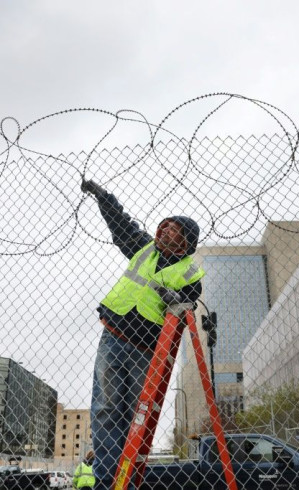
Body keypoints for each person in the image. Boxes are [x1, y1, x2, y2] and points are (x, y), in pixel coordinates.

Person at [80, 179, 204, 490]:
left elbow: (189, 301)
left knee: (136, 419)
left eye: (173, 231)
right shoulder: (143, 249)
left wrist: (176, 298)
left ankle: (127, 481)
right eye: (164, 228)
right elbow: (121, 224)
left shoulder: (190, 272)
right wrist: (104, 197)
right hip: (114, 337)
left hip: (147, 350)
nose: (164, 233)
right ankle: (109, 482)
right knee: (106, 409)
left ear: (186, 242)